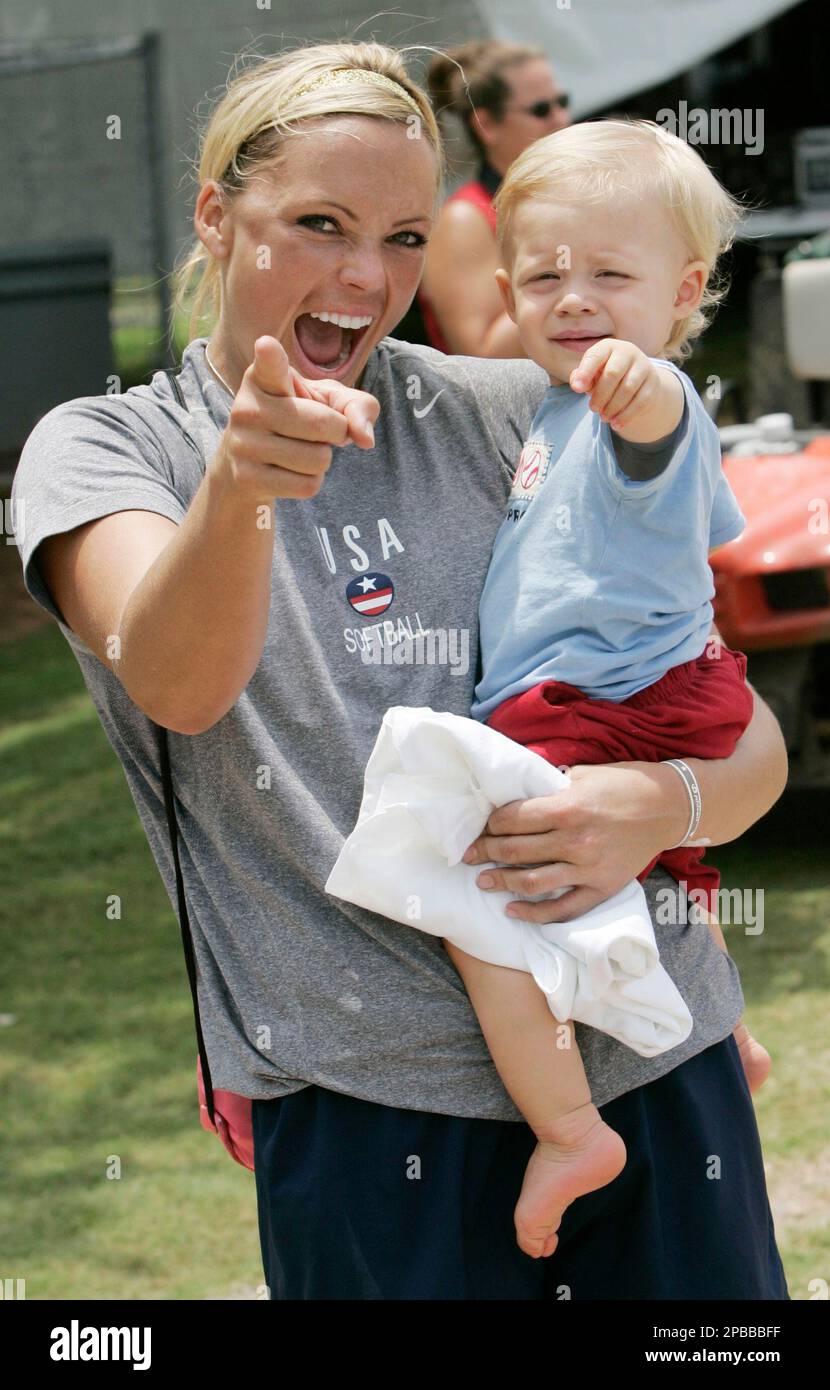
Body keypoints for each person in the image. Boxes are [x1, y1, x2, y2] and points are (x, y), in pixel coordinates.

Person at [11, 41, 789, 1300]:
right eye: (318, 223)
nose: (365, 277)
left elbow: (742, 735)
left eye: (406, 236)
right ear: (216, 216)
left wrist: (660, 807)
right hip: (367, 1108)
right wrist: (243, 483)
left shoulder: (506, 414)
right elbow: (176, 681)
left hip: (655, 1057)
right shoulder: (109, 446)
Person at [416, 118, 772, 1261]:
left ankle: (570, 1126)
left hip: (600, 701)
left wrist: (642, 385)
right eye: (541, 275)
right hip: (631, 690)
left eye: (608, 276)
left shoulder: (644, 402)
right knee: (658, 866)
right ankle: (726, 1030)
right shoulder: (552, 410)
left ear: (682, 291)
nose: (571, 299)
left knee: (475, 882)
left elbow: (661, 436)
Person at [418, 40, 570, 356]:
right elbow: (481, 354)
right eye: (541, 110)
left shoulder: (559, 203)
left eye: (562, 103)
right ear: (486, 124)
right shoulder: (464, 218)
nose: (562, 120)